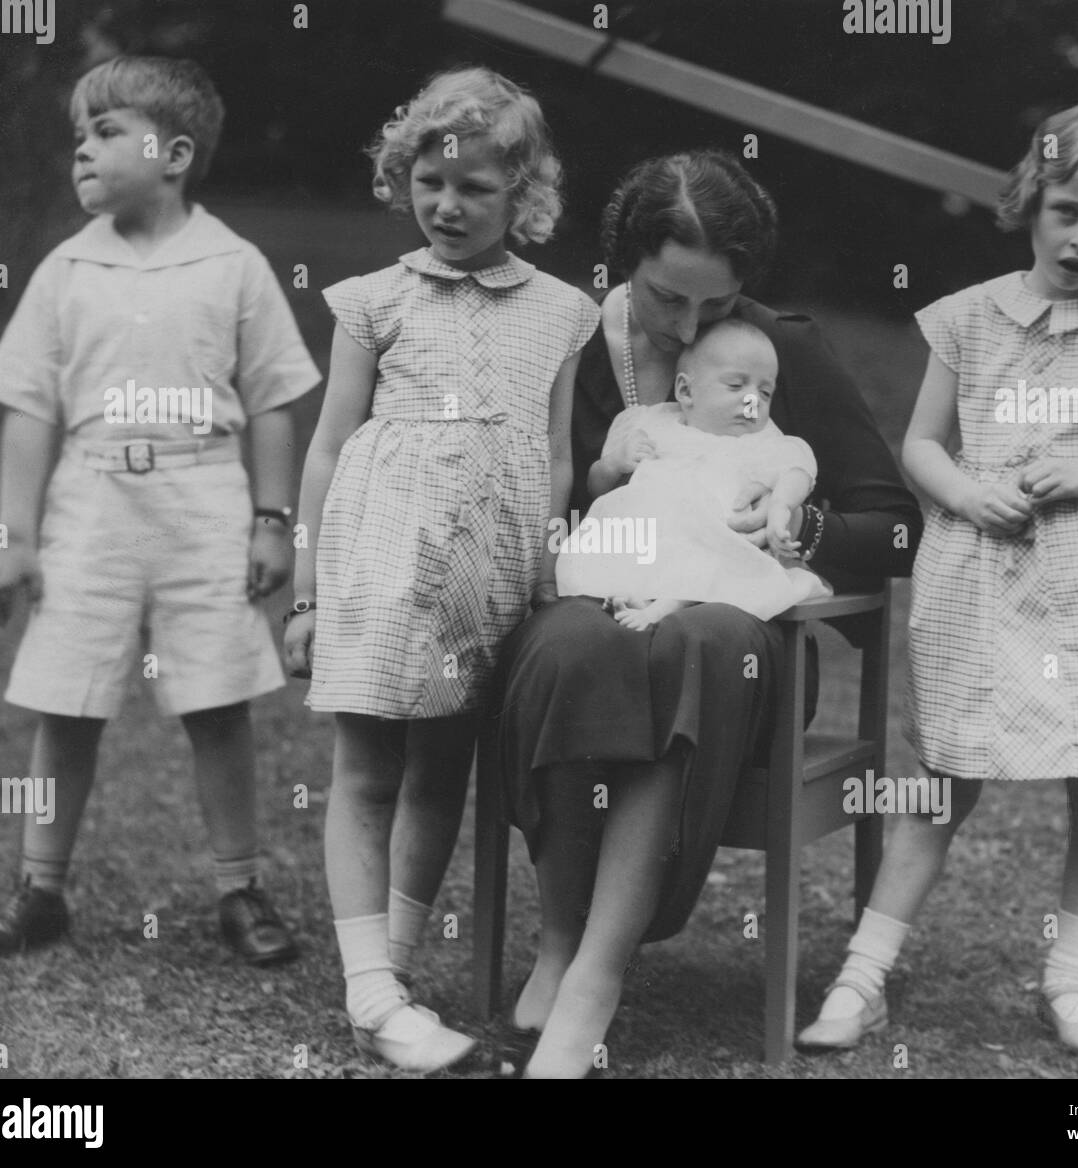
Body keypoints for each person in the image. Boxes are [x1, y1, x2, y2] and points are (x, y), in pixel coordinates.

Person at [798, 100, 1078, 1058]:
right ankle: (861, 977)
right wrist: (962, 491)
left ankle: (1069, 981)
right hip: (983, 576)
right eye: (1069, 209)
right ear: (1034, 198)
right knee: (948, 776)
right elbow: (920, 441)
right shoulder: (968, 318)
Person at [492, 150, 922, 1078]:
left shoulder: (777, 354)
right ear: (618, 264)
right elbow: (549, 501)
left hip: (744, 643)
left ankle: (598, 977)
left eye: (715, 305)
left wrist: (798, 523)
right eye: (666, 298)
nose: (690, 326)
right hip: (609, 602)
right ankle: (560, 941)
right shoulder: (565, 341)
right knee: (571, 643)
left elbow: (896, 529)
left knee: (692, 643)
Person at [0, 57, 320, 965]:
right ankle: (41, 889)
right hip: (92, 503)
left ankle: (239, 886)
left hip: (202, 498)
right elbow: (30, 413)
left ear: (174, 152)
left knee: (219, 699)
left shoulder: (233, 264)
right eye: (78, 136)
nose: (82, 149)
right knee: (66, 699)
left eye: (107, 132)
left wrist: (272, 521)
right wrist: (19, 538)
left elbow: (274, 400)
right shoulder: (65, 270)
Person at [282, 66, 599, 1074]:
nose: (448, 205)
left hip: (488, 573)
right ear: (401, 177)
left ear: (524, 194)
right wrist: (305, 591)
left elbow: (553, 454)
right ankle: (371, 985)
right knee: (370, 768)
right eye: (430, 182)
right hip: (380, 557)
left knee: (443, 772)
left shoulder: (559, 312)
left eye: (476, 188)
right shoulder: (374, 301)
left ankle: (398, 967)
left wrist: (547, 572)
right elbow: (328, 446)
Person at [556, 317, 830, 625]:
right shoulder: (651, 424)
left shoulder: (761, 440)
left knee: (706, 563)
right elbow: (598, 488)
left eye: (765, 393)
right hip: (649, 538)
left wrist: (781, 505)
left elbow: (797, 468)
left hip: (714, 540)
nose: (752, 400)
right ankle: (634, 595)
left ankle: (662, 609)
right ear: (686, 390)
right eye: (736, 386)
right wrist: (614, 463)